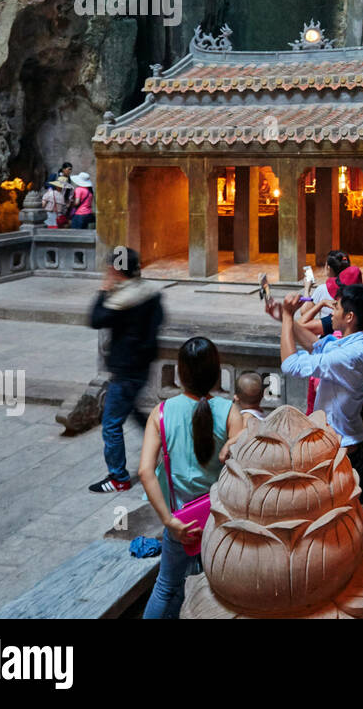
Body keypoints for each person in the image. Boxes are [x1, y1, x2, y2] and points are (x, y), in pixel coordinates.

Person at [138, 337, 243, 619]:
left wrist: (169, 522)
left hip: (181, 523)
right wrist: (236, 440)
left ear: (180, 374)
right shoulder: (230, 412)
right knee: (219, 590)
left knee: (166, 586)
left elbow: (145, 471)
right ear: (216, 373)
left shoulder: (161, 414)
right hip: (221, 522)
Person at [279, 284, 363, 507]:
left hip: (345, 450)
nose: (331, 312)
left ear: (349, 316)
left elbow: (290, 364)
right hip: (345, 442)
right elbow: (315, 345)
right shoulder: (352, 342)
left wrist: (287, 317)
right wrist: (285, 319)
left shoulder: (352, 354)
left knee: (341, 518)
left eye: (336, 308)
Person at [87, 247, 164, 493]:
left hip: (125, 368)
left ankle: (118, 477)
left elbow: (95, 319)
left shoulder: (124, 300)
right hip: (142, 364)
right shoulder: (150, 293)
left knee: (111, 423)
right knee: (134, 411)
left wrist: (103, 289)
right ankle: (165, 448)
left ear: (116, 269)